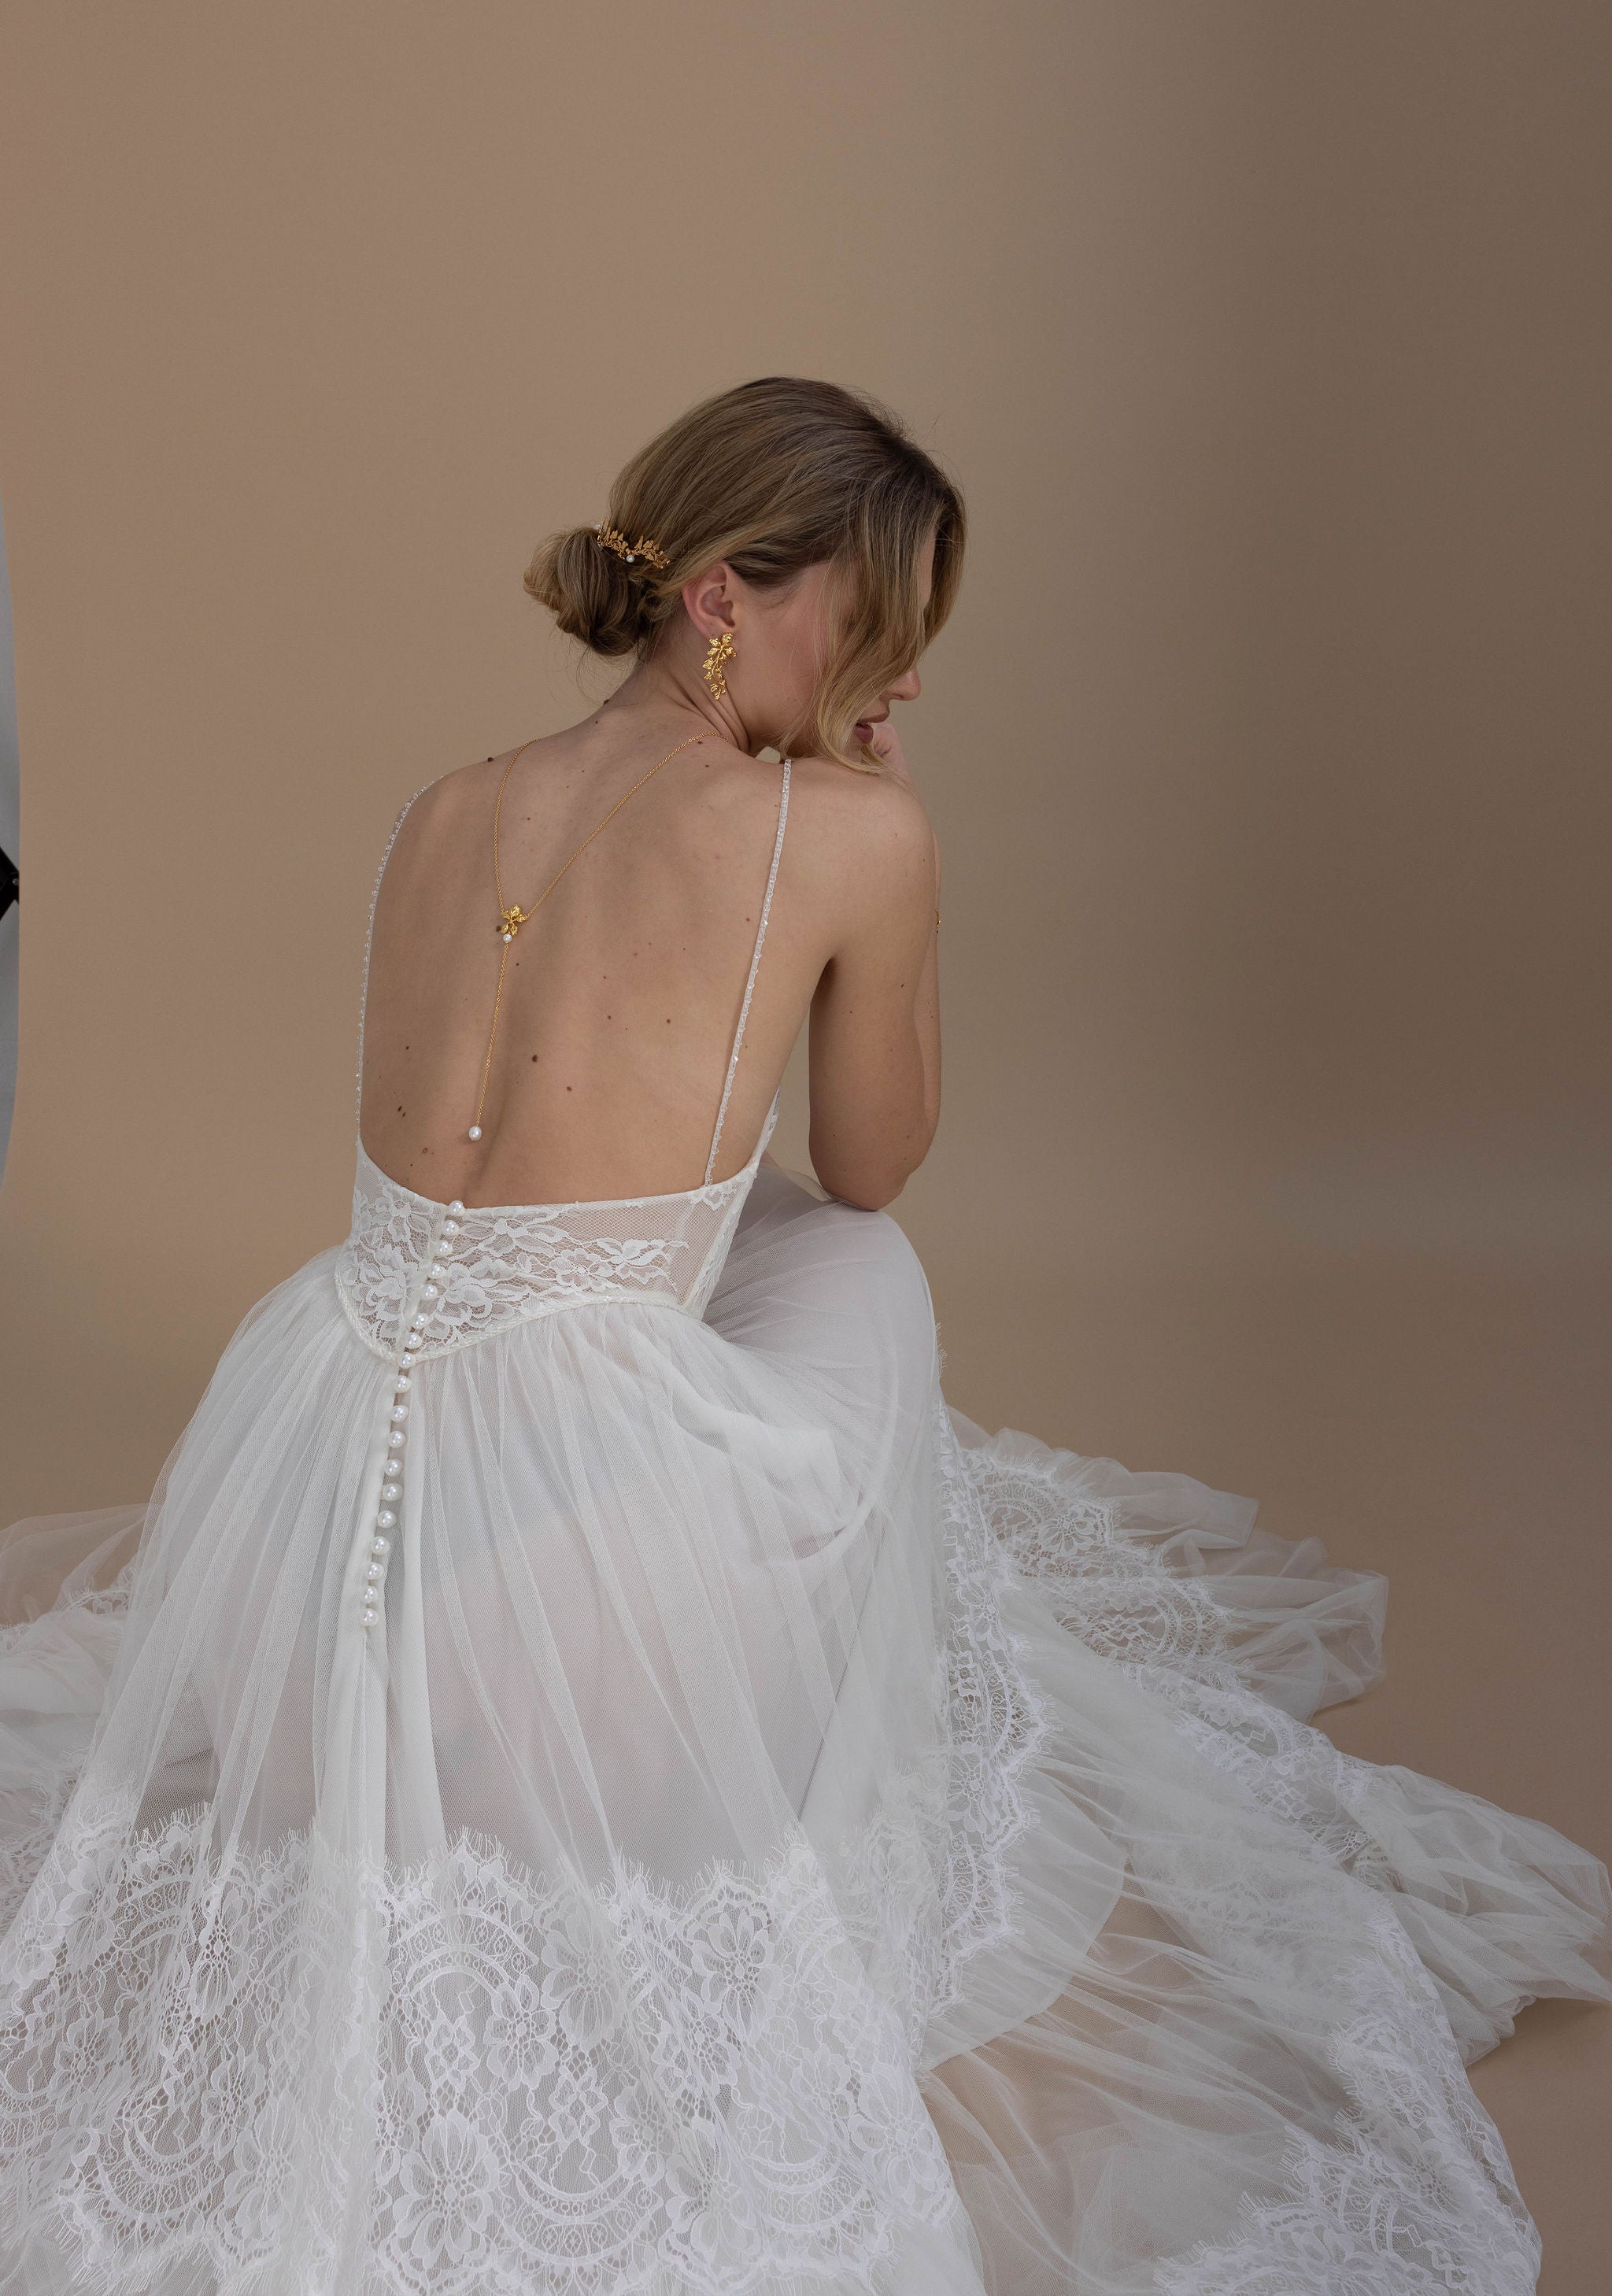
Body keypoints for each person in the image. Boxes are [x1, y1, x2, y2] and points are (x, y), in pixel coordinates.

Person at [0, 376, 1603, 2295]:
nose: (900, 686)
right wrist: (888, 845)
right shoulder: (833, 833)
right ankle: (775, 1698)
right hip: (586, 1619)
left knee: (586, 1246)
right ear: (721, 600)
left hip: (289, 1557)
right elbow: (869, 1160)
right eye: (878, 632)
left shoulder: (445, 804)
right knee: (855, 1269)